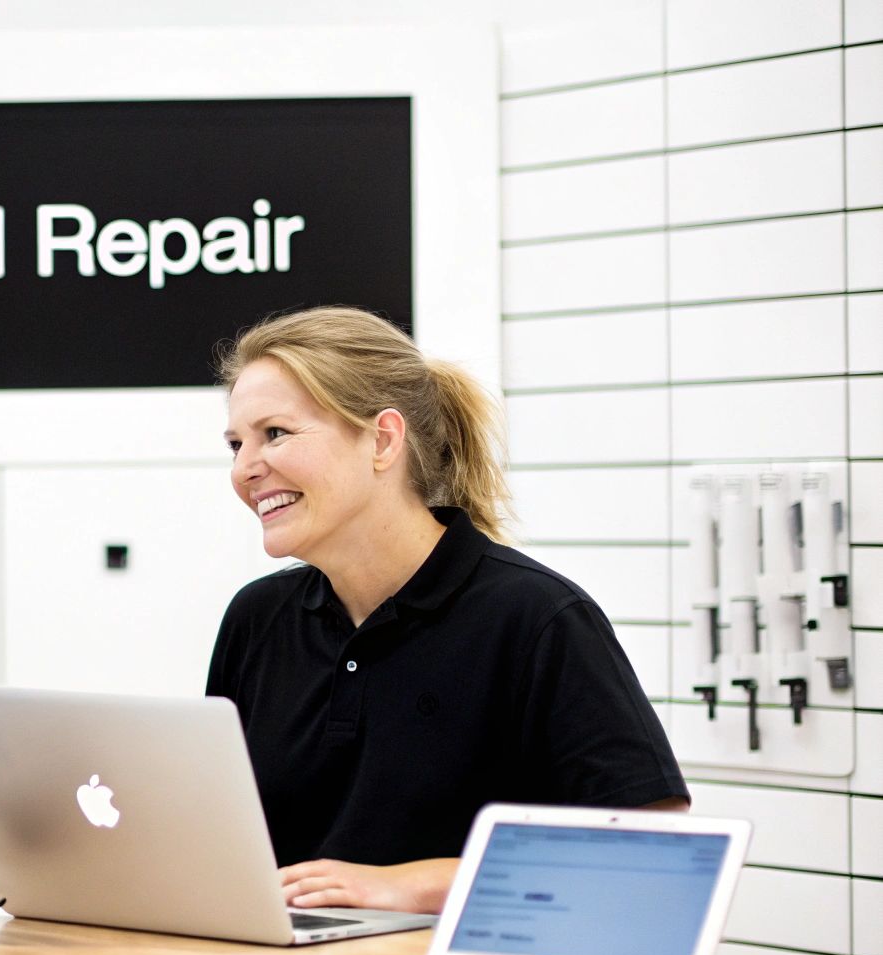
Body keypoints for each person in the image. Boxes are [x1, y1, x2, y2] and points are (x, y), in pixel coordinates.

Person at [207, 306, 687, 917]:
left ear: (382, 440)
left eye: (274, 433)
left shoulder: (537, 617)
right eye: (235, 444)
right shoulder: (257, 619)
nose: (245, 468)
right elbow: (222, 836)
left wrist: (409, 887)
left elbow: (654, 848)